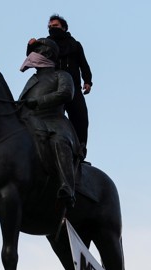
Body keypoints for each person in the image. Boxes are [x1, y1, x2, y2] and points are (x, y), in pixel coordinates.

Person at [19, 38, 78, 208]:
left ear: (48, 54)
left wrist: (39, 101)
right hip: (30, 121)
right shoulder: (33, 80)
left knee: (59, 141)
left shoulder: (62, 75)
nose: (33, 55)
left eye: (38, 51)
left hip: (54, 121)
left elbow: (66, 93)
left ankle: (68, 186)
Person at [28, 14, 93, 159]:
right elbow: (33, 58)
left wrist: (87, 81)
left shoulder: (75, 45)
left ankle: (80, 150)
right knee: (50, 116)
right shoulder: (46, 43)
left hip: (73, 86)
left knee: (81, 117)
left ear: (64, 28)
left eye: (55, 26)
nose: (52, 29)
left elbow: (83, 64)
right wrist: (30, 45)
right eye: (50, 27)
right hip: (53, 86)